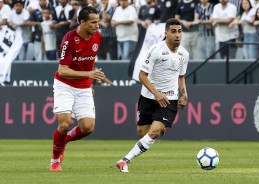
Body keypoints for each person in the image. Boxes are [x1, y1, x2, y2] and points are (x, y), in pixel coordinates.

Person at [116, 18, 189, 173]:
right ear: (166, 33)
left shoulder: (184, 54)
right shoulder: (155, 50)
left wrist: (184, 93)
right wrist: (156, 94)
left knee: (153, 132)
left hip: (169, 99)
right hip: (149, 97)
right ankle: (160, 128)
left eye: (180, 31)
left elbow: (181, 76)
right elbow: (142, 75)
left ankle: (124, 161)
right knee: (142, 133)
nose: (177, 35)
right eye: (173, 31)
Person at [49, 6, 105, 172]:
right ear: (82, 22)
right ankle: (55, 160)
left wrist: (90, 82)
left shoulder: (98, 37)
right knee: (65, 123)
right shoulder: (69, 39)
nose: (97, 26)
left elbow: (89, 63)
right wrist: (89, 74)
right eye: (93, 22)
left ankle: (63, 141)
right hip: (64, 84)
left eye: (98, 22)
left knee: (88, 128)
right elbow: (63, 70)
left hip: (84, 86)